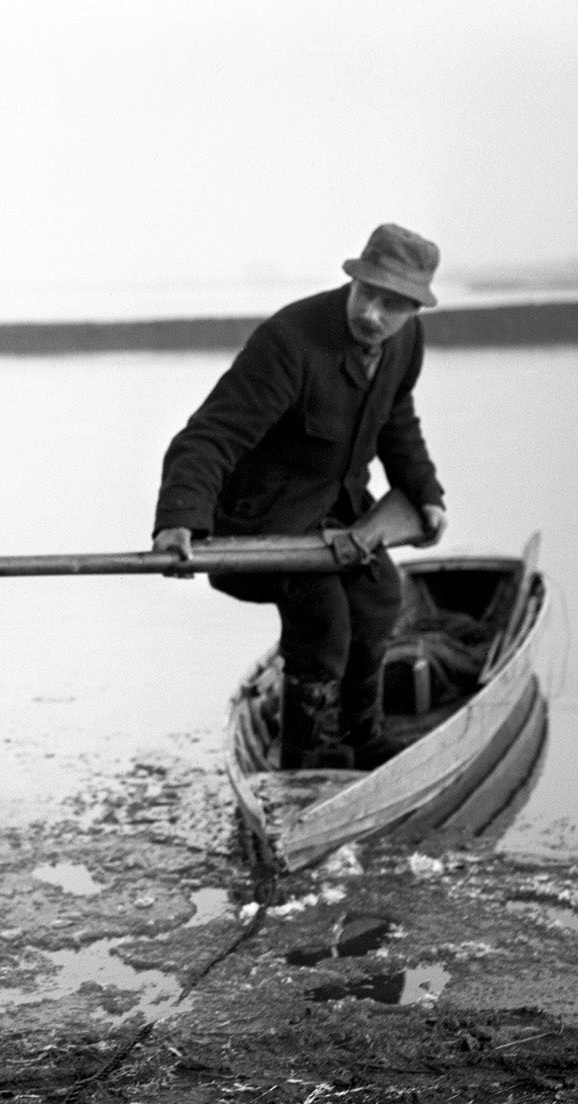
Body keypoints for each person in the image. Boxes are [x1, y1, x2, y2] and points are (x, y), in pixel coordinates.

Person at [151, 223, 448, 771]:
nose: (374, 315)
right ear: (352, 280)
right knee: (324, 618)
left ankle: (364, 738)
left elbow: (396, 422)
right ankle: (302, 763)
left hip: (339, 520)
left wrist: (426, 493)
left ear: (414, 310)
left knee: (381, 594)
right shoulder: (290, 341)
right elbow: (209, 437)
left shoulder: (405, 344)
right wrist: (179, 521)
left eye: (394, 305)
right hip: (259, 526)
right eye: (368, 294)